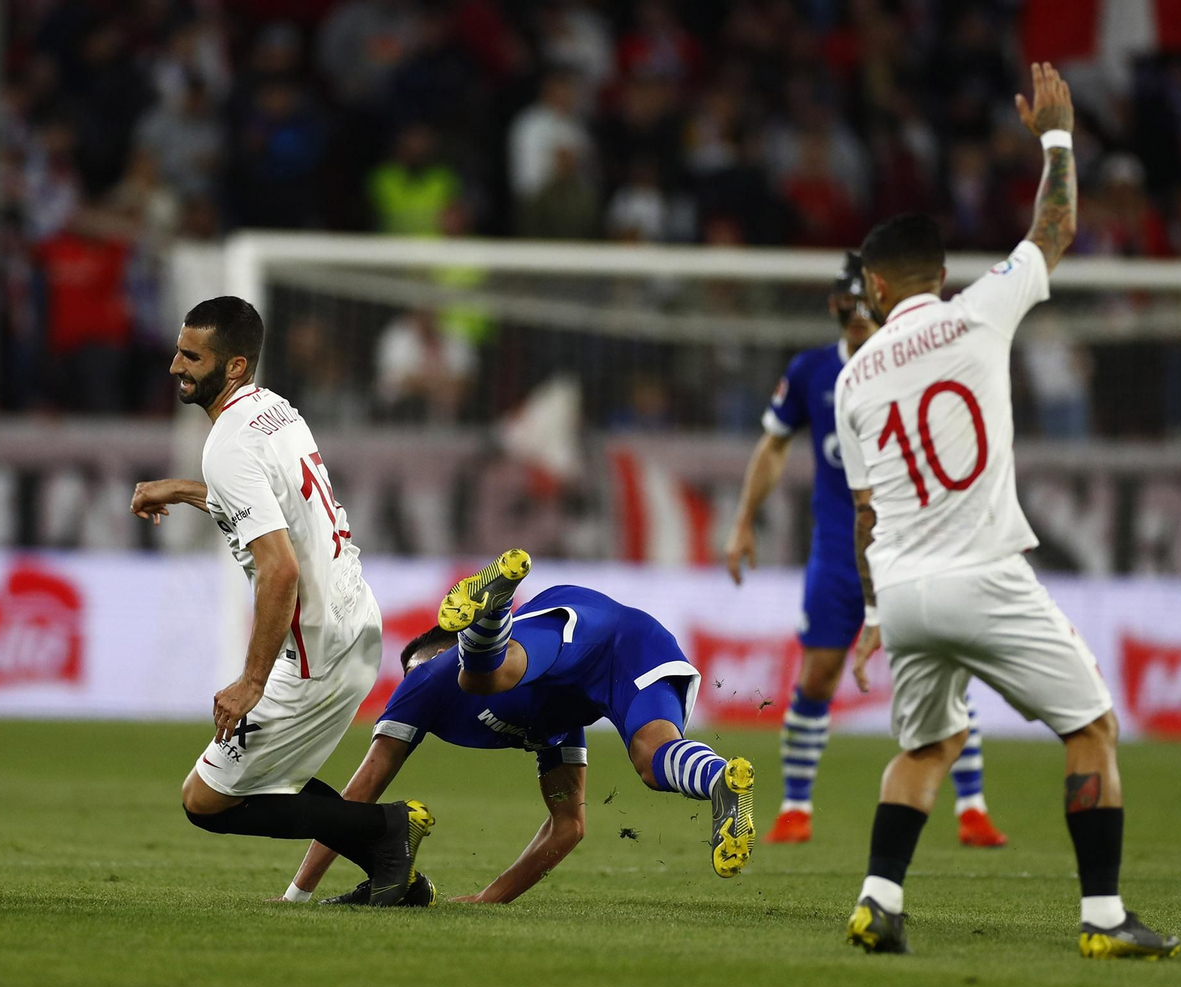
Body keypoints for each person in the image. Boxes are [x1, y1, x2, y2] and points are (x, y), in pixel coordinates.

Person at [836, 65, 1178, 959]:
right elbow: (1053, 229)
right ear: (940, 274)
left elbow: (865, 513)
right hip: (984, 575)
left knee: (928, 746)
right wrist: (1057, 137)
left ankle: (878, 900)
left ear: (875, 286)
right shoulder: (980, 310)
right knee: (1091, 727)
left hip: (904, 590)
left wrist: (872, 611)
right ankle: (1103, 916)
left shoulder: (853, 376)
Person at [128, 296, 432, 907]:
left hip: (315, 649)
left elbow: (280, 568)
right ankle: (389, 866)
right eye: (179, 351)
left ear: (234, 365)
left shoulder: (227, 446)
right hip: (354, 622)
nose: (176, 366)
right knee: (267, 780)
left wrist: (251, 682)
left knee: (206, 801)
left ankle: (386, 831)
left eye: (192, 357)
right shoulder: (274, 410)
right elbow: (273, 509)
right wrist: (182, 490)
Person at [283, 550, 759, 904]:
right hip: (635, 643)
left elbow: (359, 792)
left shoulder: (424, 680)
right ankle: (719, 780)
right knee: (654, 758)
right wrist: (489, 898)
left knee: (480, 678)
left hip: (571, 624)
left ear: (439, 651)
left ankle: (493, 610)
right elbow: (568, 827)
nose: (415, 681)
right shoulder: (553, 723)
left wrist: (297, 894)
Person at [725, 252, 1006, 848]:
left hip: (913, 543)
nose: (856, 316)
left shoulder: (915, 363)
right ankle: (795, 807)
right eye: (846, 305)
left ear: (883, 302)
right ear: (834, 306)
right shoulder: (811, 371)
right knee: (818, 675)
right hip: (838, 550)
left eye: (864, 304)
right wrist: (744, 520)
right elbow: (773, 446)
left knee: (942, 669)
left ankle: (973, 807)